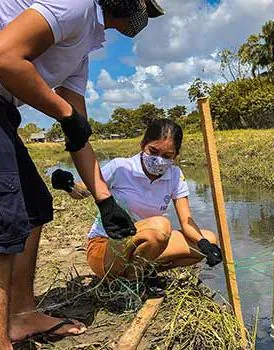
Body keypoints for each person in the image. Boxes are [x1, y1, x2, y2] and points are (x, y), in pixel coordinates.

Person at [0, 0, 165, 346]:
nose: (142, 16)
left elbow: (79, 133)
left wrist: (105, 201)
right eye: (143, 6)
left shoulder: (83, 50)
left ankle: (21, 315)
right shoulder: (76, 5)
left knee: (34, 208)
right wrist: (64, 112)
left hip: (5, 111)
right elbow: (5, 57)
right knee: (5, 221)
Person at [52, 120, 223, 284]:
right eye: (153, 151)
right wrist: (68, 185)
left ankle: (142, 271)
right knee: (160, 227)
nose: (159, 160)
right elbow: (84, 191)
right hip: (106, 248)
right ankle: (134, 281)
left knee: (209, 238)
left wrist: (204, 244)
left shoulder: (175, 176)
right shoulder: (120, 167)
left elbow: (187, 221)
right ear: (143, 145)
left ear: (176, 156)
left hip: (145, 245)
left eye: (167, 156)